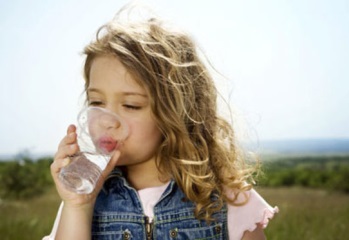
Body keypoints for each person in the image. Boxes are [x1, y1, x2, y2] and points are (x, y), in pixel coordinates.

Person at [44, 5, 278, 240]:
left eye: (131, 105)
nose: (107, 121)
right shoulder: (82, 200)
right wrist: (78, 206)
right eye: (97, 101)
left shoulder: (228, 201)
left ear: (175, 110)